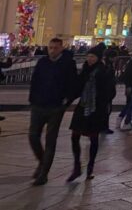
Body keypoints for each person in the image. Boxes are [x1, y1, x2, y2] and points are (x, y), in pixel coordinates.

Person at [28, 38, 77, 186]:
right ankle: (42, 161)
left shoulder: (68, 64)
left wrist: (66, 101)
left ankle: (43, 174)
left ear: (62, 48)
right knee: (33, 136)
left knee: (51, 140)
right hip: (38, 104)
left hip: (56, 107)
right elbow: (35, 81)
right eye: (50, 48)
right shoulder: (43, 62)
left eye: (55, 48)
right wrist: (33, 99)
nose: (52, 50)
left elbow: (72, 83)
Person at [67, 44, 113, 182]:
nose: (89, 59)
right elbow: (78, 87)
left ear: (98, 58)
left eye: (92, 56)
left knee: (93, 138)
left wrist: (104, 105)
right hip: (83, 107)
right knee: (75, 136)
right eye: (88, 56)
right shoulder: (85, 69)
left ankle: (90, 168)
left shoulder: (104, 71)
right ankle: (77, 166)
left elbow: (109, 90)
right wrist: (68, 100)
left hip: (96, 109)